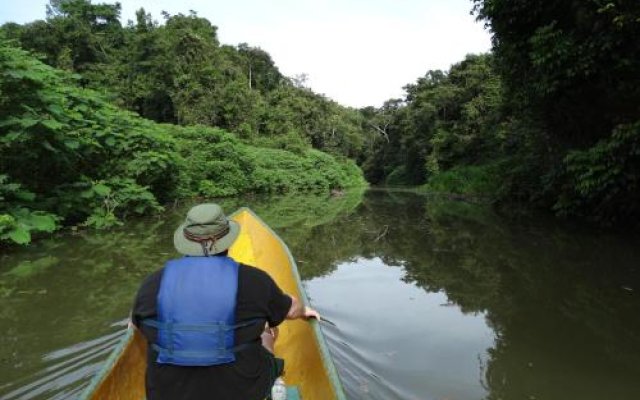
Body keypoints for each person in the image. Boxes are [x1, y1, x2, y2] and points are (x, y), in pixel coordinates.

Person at [131, 203, 320, 400]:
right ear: (228, 242)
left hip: (167, 392)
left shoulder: (152, 283)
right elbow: (290, 311)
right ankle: (274, 383)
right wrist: (302, 309)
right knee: (267, 331)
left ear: (185, 241)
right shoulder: (255, 280)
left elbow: (135, 322)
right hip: (240, 391)